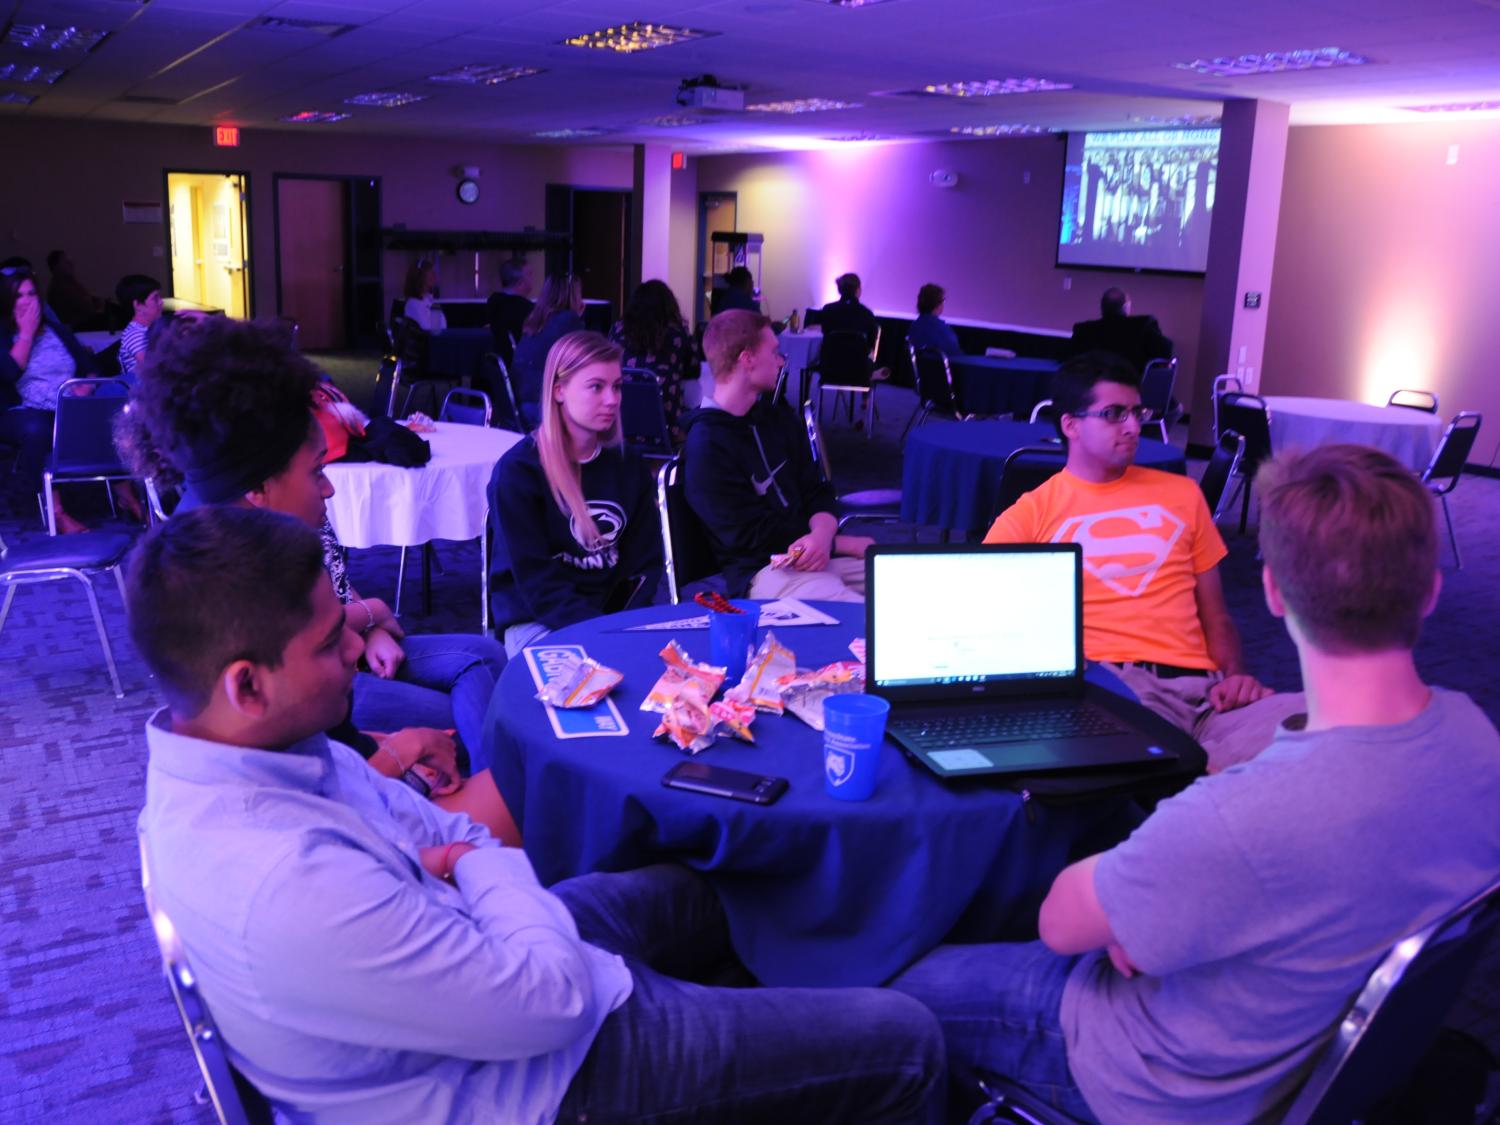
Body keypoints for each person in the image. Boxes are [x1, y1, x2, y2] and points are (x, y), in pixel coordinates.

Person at [131, 504, 946, 1124]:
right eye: (329, 641)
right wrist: (480, 868)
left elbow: (450, 836)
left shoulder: (259, 754)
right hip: (539, 1080)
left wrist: (465, 866)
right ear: (247, 682)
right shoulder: (284, 881)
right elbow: (548, 996)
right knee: (907, 1037)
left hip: (482, 957)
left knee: (722, 883)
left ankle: (786, 1012)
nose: (356, 648)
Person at [895, 442, 1500, 1124]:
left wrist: (1143, 902)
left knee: (898, 976)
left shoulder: (1241, 814)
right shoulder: (1480, 738)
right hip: (1305, 1046)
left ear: (1272, 589)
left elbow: (1061, 921)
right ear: (1431, 588)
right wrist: (1160, 897)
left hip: (1156, 1074)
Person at [122, 316, 512, 813]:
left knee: (485, 667)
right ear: (259, 488)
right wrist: (402, 749)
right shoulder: (220, 575)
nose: (328, 487)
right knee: (488, 725)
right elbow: (318, 777)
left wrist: (364, 622)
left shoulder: (241, 532)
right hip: (353, 798)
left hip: (342, 757)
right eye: (317, 472)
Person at [983, 351, 1299, 769]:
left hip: (1209, 696)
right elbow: (987, 621)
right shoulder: (1031, 515)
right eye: (1114, 414)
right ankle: (1203, 782)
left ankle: (1203, 780)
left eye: (1137, 412)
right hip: (1119, 691)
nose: (1133, 427)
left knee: (1333, 726)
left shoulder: (1182, 494)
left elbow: (1215, 616)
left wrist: (1236, 676)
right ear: (1070, 425)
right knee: (1191, 772)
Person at [488, 331, 663, 656]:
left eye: (617, 386)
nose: (612, 399)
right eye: (596, 387)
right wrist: (600, 635)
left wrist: (622, 627)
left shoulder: (628, 465)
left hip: (610, 617)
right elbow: (537, 585)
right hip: (537, 620)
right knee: (589, 691)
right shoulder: (519, 472)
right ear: (559, 390)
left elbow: (645, 566)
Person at [683, 310, 872, 602]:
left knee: (907, 581)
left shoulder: (778, 419)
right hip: (763, 571)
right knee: (871, 617)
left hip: (817, 551)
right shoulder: (706, 446)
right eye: (774, 352)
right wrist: (839, 543)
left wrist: (821, 538)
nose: (781, 360)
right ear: (747, 360)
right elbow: (751, 537)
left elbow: (818, 490)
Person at [0, 265, 99, 533]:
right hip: (19, 410)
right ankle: (55, 510)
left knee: (105, 414)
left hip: (67, 402)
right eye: (20, 295)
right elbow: (9, 372)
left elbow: (89, 365)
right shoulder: (3, 334)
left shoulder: (56, 330)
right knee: (39, 429)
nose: (29, 300)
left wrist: (85, 388)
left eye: (32, 293)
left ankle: (129, 497)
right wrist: (26, 333)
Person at [608, 278, 698, 438]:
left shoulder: (617, 330)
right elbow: (693, 371)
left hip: (620, 422)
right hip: (666, 426)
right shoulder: (677, 334)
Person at [513, 273, 585, 427]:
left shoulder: (534, 321)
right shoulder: (568, 320)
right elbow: (585, 362)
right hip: (543, 408)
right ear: (573, 296)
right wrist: (578, 316)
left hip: (521, 406)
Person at [1069, 287, 1172, 374]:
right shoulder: (1143, 325)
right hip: (1134, 391)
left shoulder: (1083, 330)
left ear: (1102, 307)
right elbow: (1166, 351)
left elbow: (1071, 361)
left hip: (1091, 392)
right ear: (1126, 306)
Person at [485, 256, 533, 366]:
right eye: (530, 274)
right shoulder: (527, 310)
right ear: (520, 282)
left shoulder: (491, 305)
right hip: (519, 369)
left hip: (492, 369)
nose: (532, 279)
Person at [115, 274, 163, 380]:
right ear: (138, 305)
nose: (161, 301)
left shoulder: (152, 328)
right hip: (143, 393)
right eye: (155, 298)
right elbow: (154, 370)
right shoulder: (135, 334)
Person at [46, 249, 107, 331]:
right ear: (56, 266)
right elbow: (83, 307)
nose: (71, 264)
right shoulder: (59, 288)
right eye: (66, 262)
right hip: (77, 329)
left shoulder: (72, 283)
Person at [817, 272, 880, 352]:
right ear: (858, 290)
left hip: (830, 360)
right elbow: (871, 343)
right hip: (858, 362)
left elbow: (825, 333)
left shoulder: (828, 309)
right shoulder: (867, 313)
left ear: (839, 289)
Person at [906, 283, 963, 359]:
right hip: (941, 369)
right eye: (943, 300)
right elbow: (956, 355)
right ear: (937, 304)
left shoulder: (914, 326)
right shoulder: (941, 329)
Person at [401, 260, 446, 332]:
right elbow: (428, 330)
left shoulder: (428, 300)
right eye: (430, 272)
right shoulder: (413, 304)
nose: (434, 275)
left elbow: (441, 327)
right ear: (419, 277)